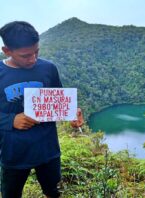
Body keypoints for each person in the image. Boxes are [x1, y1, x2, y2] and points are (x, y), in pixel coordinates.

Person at [0, 21, 84, 198]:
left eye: (36, 52)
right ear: (6, 51)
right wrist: (11, 120)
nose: (33, 59)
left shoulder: (48, 68)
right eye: (25, 55)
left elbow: (60, 100)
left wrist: (72, 114)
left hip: (47, 150)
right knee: (11, 194)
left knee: (53, 192)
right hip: (14, 153)